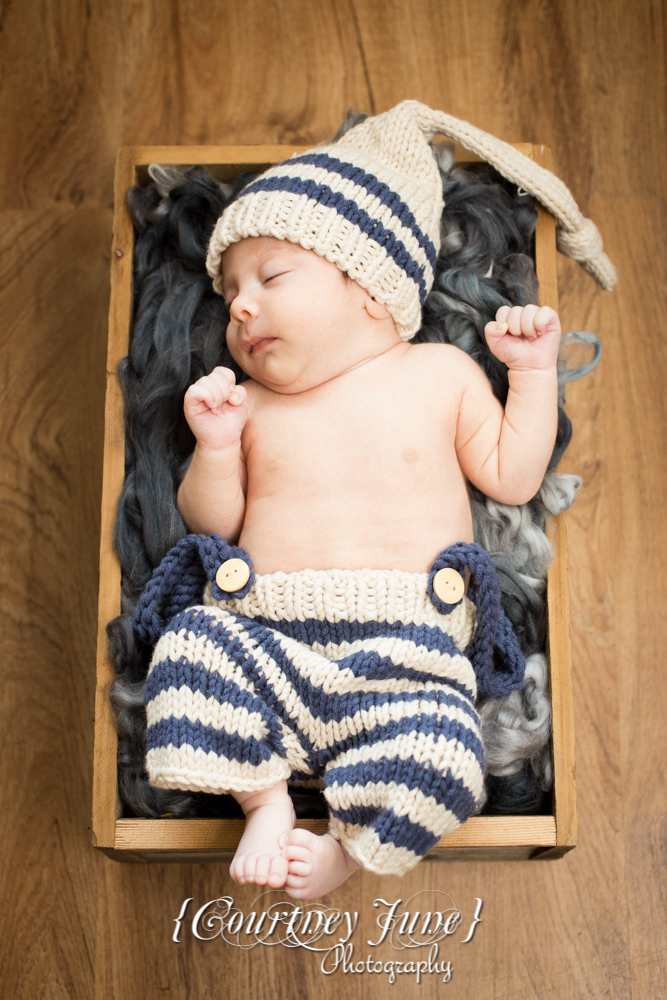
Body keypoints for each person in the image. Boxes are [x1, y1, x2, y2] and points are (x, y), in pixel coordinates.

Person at [136, 101, 563, 900]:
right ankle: (261, 802)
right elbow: (211, 523)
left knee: (444, 751)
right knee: (189, 648)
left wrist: (531, 376)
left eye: (269, 277)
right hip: (264, 632)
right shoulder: (251, 406)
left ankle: (343, 846)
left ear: (370, 288)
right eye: (229, 294)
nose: (240, 307)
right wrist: (217, 449)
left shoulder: (440, 375)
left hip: (406, 647)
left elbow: (512, 476)